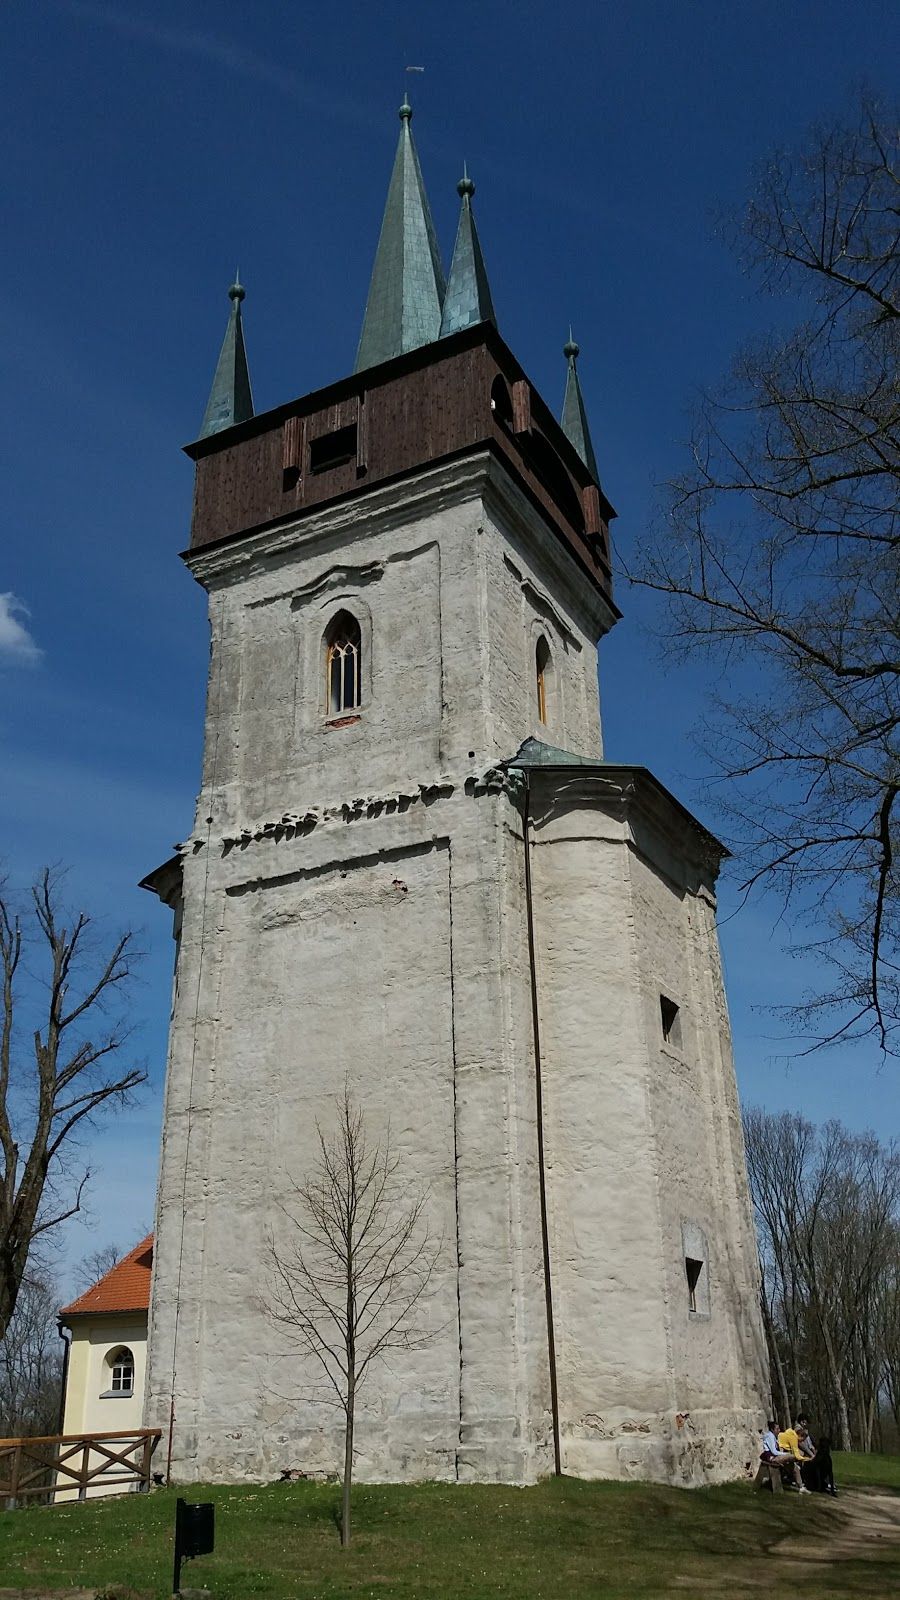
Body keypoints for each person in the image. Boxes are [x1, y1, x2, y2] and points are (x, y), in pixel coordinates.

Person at [761, 1420, 810, 1491]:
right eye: (777, 1429)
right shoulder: (770, 1436)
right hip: (772, 1458)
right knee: (793, 1456)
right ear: (772, 1429)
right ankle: (800, 1459)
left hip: (777, 1457)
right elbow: (774, 1452)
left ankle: (800, 1486)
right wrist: (786, 1454)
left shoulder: (775, 1436)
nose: (779, 1430)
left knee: (794, 1467)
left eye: (779, 1428)